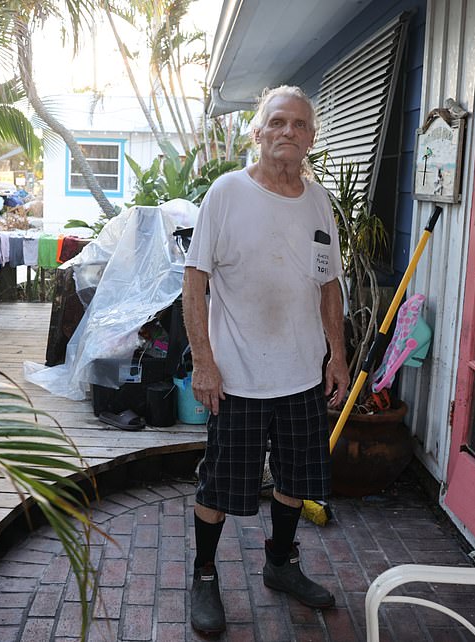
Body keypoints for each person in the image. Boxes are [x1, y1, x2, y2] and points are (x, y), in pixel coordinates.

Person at [182, 85, 349, 635]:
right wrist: (203, 363)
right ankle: (205, 575)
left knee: (296, 478)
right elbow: (195, 281)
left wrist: (337, 356)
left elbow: (329, 285)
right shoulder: (227, 193)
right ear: (257, 132)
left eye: (299, 125)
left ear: (311, 138)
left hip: (301, 371)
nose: (288, 132)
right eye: (277, 122)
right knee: (221, 487)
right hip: (238, 377)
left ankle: (280, 563)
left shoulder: (319, 200)